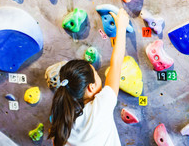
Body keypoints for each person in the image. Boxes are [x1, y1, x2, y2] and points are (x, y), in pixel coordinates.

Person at [48, 8, 129, 146]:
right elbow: (116, 63)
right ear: (91, 87)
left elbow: (116, 64)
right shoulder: (100, 106)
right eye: (97, 76)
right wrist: (121, 27)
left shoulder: (61, 125)